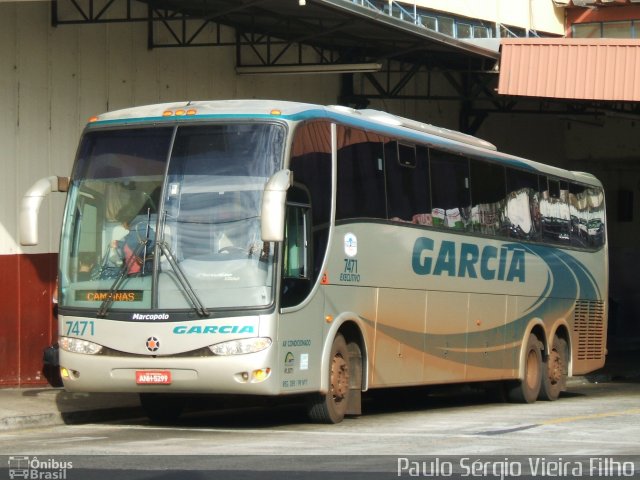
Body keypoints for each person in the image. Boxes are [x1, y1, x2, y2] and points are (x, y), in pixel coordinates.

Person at [113, 205, 155, 275]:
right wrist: (118, 243)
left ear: (127, 220)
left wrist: (143, 251)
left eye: (122, 222)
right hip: (130, 275)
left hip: (141, 275)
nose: (123, 226)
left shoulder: (141, 228)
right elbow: (131, 244)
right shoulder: (133, 232)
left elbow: (153, 242)